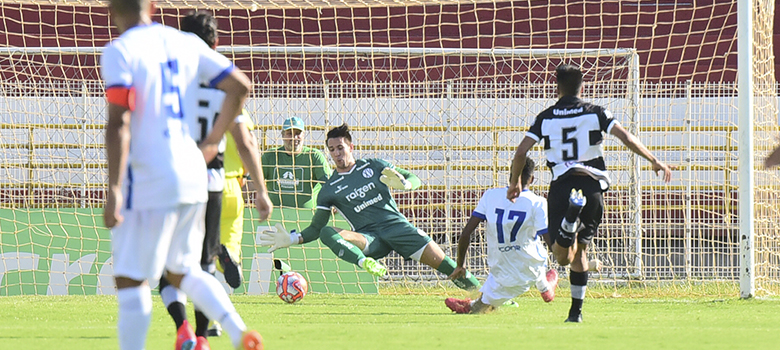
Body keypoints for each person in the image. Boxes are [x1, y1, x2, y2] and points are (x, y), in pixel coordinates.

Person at [101, 1, 271, 350]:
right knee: (185, 268)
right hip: (194, 172)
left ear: (109, 10)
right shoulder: (185, 43)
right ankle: (239, 333)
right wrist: (211, 143)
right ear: (151, 6)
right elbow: (240, 86)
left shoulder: (121, 51)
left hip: (148, 176)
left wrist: (115, 188)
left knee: (132, 280)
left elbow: (119, 121)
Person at [507, 64, 672, 323]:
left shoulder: (546, 117)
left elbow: (520, 152)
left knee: (562, 257)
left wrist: (515, 182)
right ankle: (576, 314)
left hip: (562, 186)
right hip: (592, 187)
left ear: (557, 88)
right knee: (580, 253)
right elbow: (626, 136)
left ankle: (569, 220)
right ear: (582, 87)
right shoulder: (596, 112)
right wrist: (653, 160)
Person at [258, 123, 481, 290]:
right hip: (370, 239)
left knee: (448, 266)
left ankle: (483, 296)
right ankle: (365, 262)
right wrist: (293, 239)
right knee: (328, 232)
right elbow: (317, 229)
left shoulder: (373, 166)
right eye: (332, 149)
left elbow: (413, 178)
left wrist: (405, 184)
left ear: (351, 147)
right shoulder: (329, 188)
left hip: (398, 229)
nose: (336, 153)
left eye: (340, 148)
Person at [154, 10, 262, 348]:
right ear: (215, 43)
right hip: (216, 182)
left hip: (174, 180)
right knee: (203, 265)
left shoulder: (171, 78)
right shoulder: (225, 86)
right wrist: (261, 189)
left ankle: (182, 327)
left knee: (168, 268)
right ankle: (203, 336)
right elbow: (245, 142)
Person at [444, 159, 558, 314]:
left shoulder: (490, 196)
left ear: (510, 175)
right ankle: (546, 288)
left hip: (501, 268)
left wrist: (460, 265)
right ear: (532, 179)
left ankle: (470, 306)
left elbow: (466, 233)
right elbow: (549, 241)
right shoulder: (538, 202)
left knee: (480, 307)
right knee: (534, 246)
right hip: (530, 268)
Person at [261, 116, 332, 209]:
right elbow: (251, 182)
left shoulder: (314, 156)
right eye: (289, 133)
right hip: (275, 216)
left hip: (307, 216)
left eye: (298, 133)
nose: (294, 138)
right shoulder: (270, 156)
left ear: (304, 135)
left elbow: (329, 184)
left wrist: (333, 202)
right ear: (282, 135)